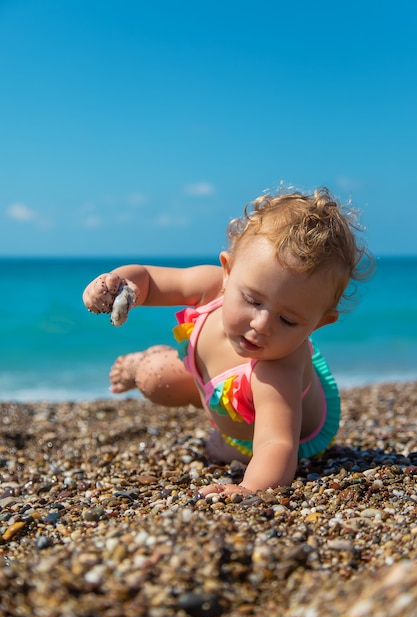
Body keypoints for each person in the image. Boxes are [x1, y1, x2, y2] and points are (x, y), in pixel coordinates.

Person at [83, 187, 371, 498]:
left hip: (274, 434)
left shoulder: (278, 370)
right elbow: (150, 281)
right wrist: (118, 284)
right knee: (154, 377)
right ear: (228, 271)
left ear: (319, 323)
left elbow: (276, 444)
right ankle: (147, 362)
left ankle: (223, 432)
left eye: (288, 321)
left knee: (228, 454)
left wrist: (248, 489)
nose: (260, 324)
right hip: (216, 387)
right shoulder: (212, 286)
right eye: (251, 300)